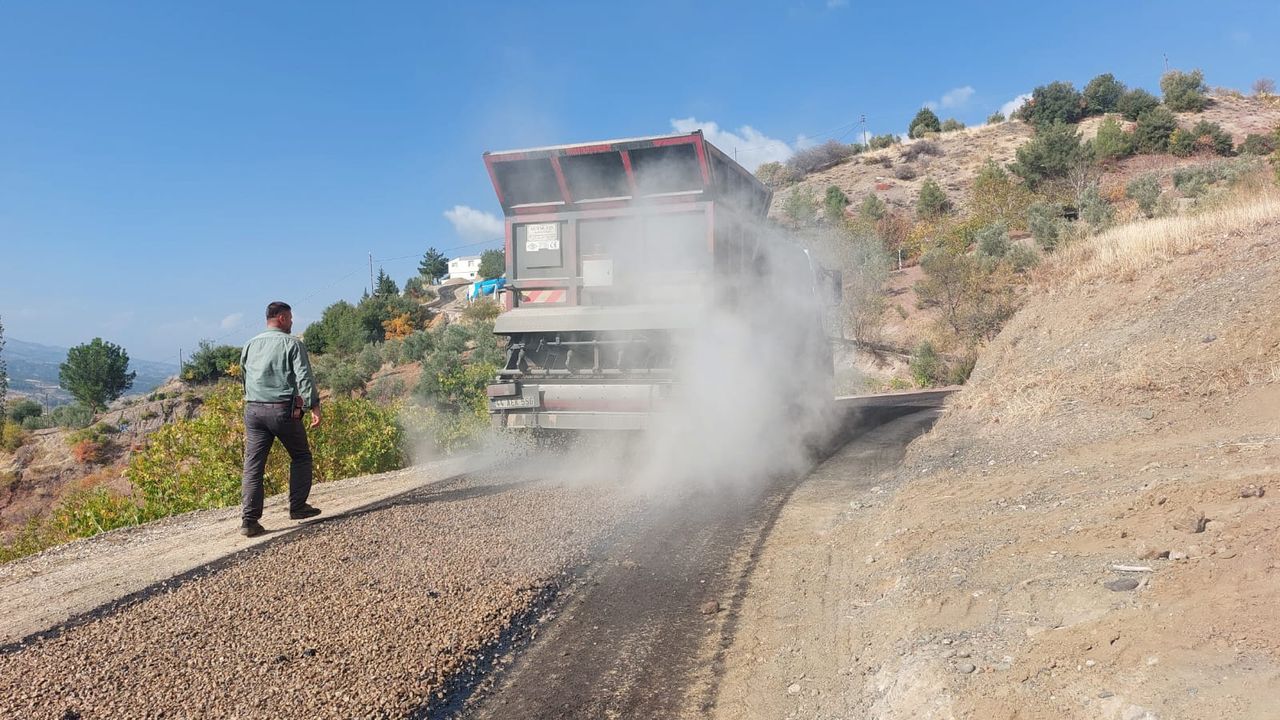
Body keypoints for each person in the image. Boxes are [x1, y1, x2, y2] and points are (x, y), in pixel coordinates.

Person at [238, 301, 322, 537]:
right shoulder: (292, 344)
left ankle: (249, 521)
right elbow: (304, 377)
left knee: (253, 467)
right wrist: (313, 405)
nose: (293, 322)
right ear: (282, 318)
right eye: (291, 318)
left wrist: (252, 399)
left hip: (253, 410)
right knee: (301, 456)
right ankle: (298, 507)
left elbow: (244, 377)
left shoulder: (249, 344)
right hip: (282, 410)